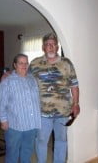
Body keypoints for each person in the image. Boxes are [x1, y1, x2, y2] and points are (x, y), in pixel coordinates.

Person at [29, 33, 80, 163]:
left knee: (61, 140)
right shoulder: (35, 64)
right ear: (43, 47)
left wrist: (76, 103)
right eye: (47, 45)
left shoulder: (66, 63)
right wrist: (9, 74)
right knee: (41, 140)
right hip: (42, 112)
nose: (50, 47)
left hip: (63, 112)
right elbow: (24, 79)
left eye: (53, 44)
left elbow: (74, 85)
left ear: (57, 47)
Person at [0, 54, 41, 163]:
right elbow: (0, 103)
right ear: (15, 65)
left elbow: (36, 100)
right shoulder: (7, 81)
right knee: (12, 153)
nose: (24, 65)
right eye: (21, 63)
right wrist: (3, 120)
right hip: (14, 125)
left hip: (31, 125)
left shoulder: (32, 80)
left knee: (27, 152)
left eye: (26, 63)